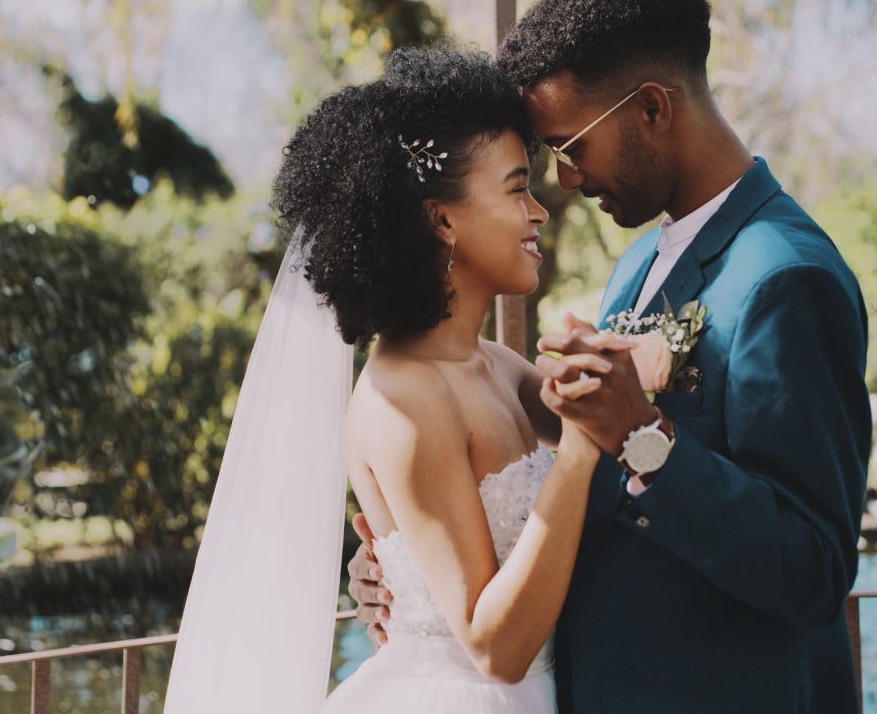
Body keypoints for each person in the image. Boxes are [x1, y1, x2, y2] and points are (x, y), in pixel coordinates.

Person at [347, 0, 873, 712]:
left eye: (571, 147)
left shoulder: (786, 278)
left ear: (652, 108)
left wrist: (643, 437)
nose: (565, 181)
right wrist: (410, 570)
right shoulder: (635, 266)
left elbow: (814, 570)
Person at [165, 43, 621, 714]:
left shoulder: (497, 366)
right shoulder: (402, 400)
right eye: (517, 187)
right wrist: (575, 455)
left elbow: (618, 429)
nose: (539, 212)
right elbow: (494, 649)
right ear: (441, 219)